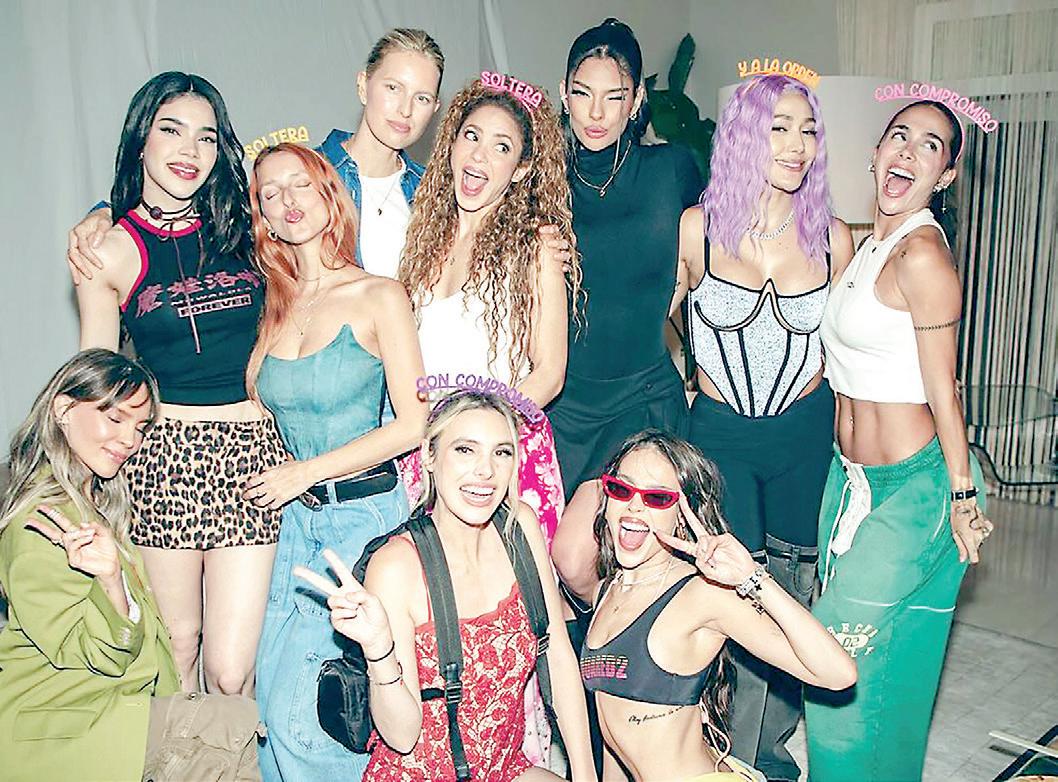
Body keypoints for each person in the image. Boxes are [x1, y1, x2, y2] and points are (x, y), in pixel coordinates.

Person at [72, 72, 286, 695]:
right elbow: (96, 375)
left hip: (253, 454)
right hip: (164, 457)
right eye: (171, 131)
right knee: (178, 650)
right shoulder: (108, 251)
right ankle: (180, 753)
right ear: (141, 140)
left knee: (231, 670)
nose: (189, 150)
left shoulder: (247, 225)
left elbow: (315, 191)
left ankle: (229, 750)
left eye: (207, 137)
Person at [669, 74, 854, 781]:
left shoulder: (833, 237)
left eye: (808, 130)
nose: (797, 144)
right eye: (779, 127)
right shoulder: (697, 229)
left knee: (793, 593)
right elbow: (649, 316)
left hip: (803, 434)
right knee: (732, 592)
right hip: (721, 436)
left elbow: (853, 349)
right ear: (747, 134)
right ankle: (720, 752)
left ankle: (766, 756)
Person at [804, 99, 993, 782]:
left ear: (946, 176)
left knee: (830, 647)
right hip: (850, 479)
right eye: (899, 136)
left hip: (916, 486)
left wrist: (961, 496)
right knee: (889, 663)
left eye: (931, 146)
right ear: (875, 151)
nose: (909, 152)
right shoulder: (867, 248)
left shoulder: (923, 256)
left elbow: (946, 389)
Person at [294, 391, 597, 781]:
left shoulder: (519, 527)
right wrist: (378, 650)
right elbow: (401, 737)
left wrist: (586, 775)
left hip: (504, 768)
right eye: (465, 450)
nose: (485, 471)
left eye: (501, 453)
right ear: (429, 456)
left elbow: (556, 656)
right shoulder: (397, 566)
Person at [245, 142, 427, 780]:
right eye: (270, 193)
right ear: (262, 216)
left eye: (300, 184)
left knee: (318, 714)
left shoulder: (380, 294)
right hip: (291, 525)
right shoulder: (274, 304)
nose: (287, 201)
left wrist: (305, 473)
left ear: (329, 193)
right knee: (267, 702)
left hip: (361, 520)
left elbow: (414, 423)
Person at [0, 349, 262, 782]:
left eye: (140, 428)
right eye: (115, 419)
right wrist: (111, 582)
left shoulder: (95, 506)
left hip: (110, 708)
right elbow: (97, 656)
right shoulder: (42, 525)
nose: (130, 440)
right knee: (230, 728)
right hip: (66, 727)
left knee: (231, 724)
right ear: (63, 410)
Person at [582, 429, 856, 782]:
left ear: (682, 517)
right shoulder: (606, 590)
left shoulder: (701, 594)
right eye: (622, 489)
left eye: (657, 497)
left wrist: (752, 577)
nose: (634, 505)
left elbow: (837, 673)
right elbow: (613, 736)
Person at [549, 18, 701, 601]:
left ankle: (625, 646)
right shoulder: (541, 181)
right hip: (562, 404)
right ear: (564, 94)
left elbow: (717, 252)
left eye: (614, 96)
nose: (596, 112)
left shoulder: (672, 170)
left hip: (642, 395)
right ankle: (610, 651)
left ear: (637, 101)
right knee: (560, 571)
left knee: (577, 556)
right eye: (582, 93)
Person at [398, 74, 578, 544]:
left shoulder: (536, 247)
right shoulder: (422, 239)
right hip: (426, 456)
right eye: (471, 136)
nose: (479, 155)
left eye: (501, 147)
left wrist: (482, 433)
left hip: (501, 458)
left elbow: (550, 373)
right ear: (452, 144)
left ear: (520, 169)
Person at [315, 28, 443, 278]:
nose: (405, 110)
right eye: (393, 88)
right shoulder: (307, 176)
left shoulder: (434, 194)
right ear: (363, 86)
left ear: (435, 108)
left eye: (422, 98)